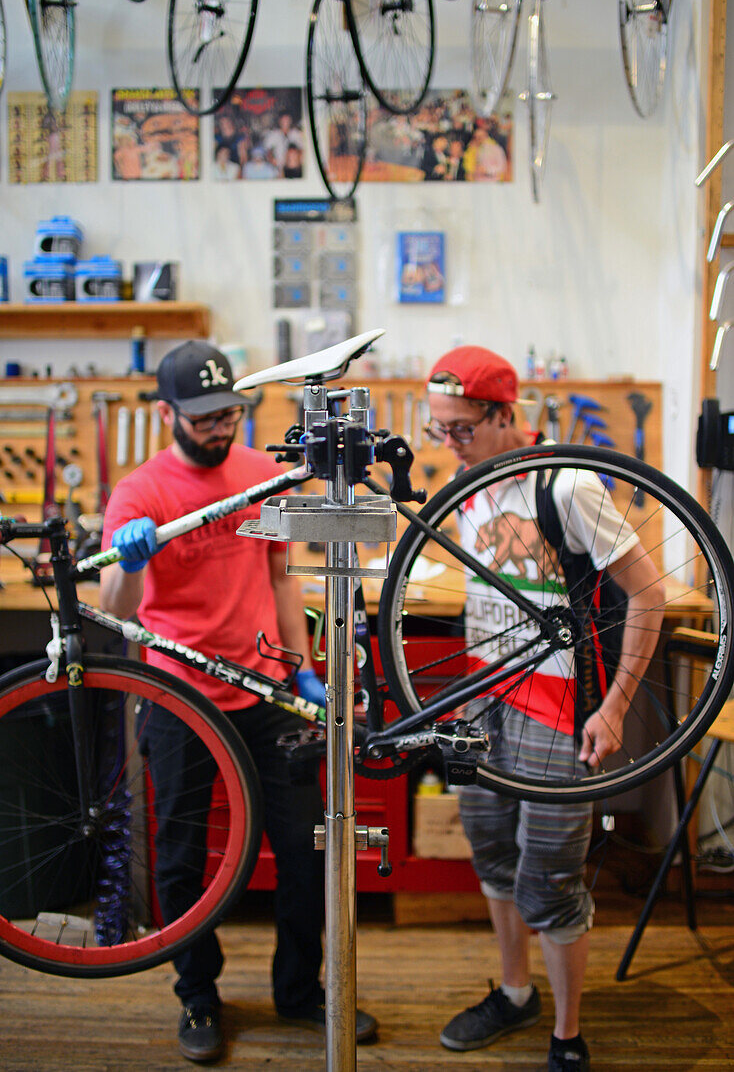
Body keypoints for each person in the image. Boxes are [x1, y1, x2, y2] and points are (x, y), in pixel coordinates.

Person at [99, 341, 378, 1063]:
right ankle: (197, 996)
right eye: (202, 417)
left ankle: (300, 992)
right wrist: (130, 564)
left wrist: (305, 670)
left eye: (228, 413)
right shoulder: (140, 493)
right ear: (167, 413)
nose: (219, 427)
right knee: (182, 859)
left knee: (303, 848)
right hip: (178, 699)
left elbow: (283, 580)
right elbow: (114, 606)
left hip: (263, 690)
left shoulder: (260, 475)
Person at [424, 345, 665, 1072]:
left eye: (462, 428)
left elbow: (648, 592)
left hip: (559, 708)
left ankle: (567, 1034)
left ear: (505, 414)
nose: (450, 444)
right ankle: (514, 992)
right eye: (440, 429)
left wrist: (615, 706)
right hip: (482, 699)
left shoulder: (565, 488)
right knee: (494, 857)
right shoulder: (468, 484)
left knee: (550, 879)